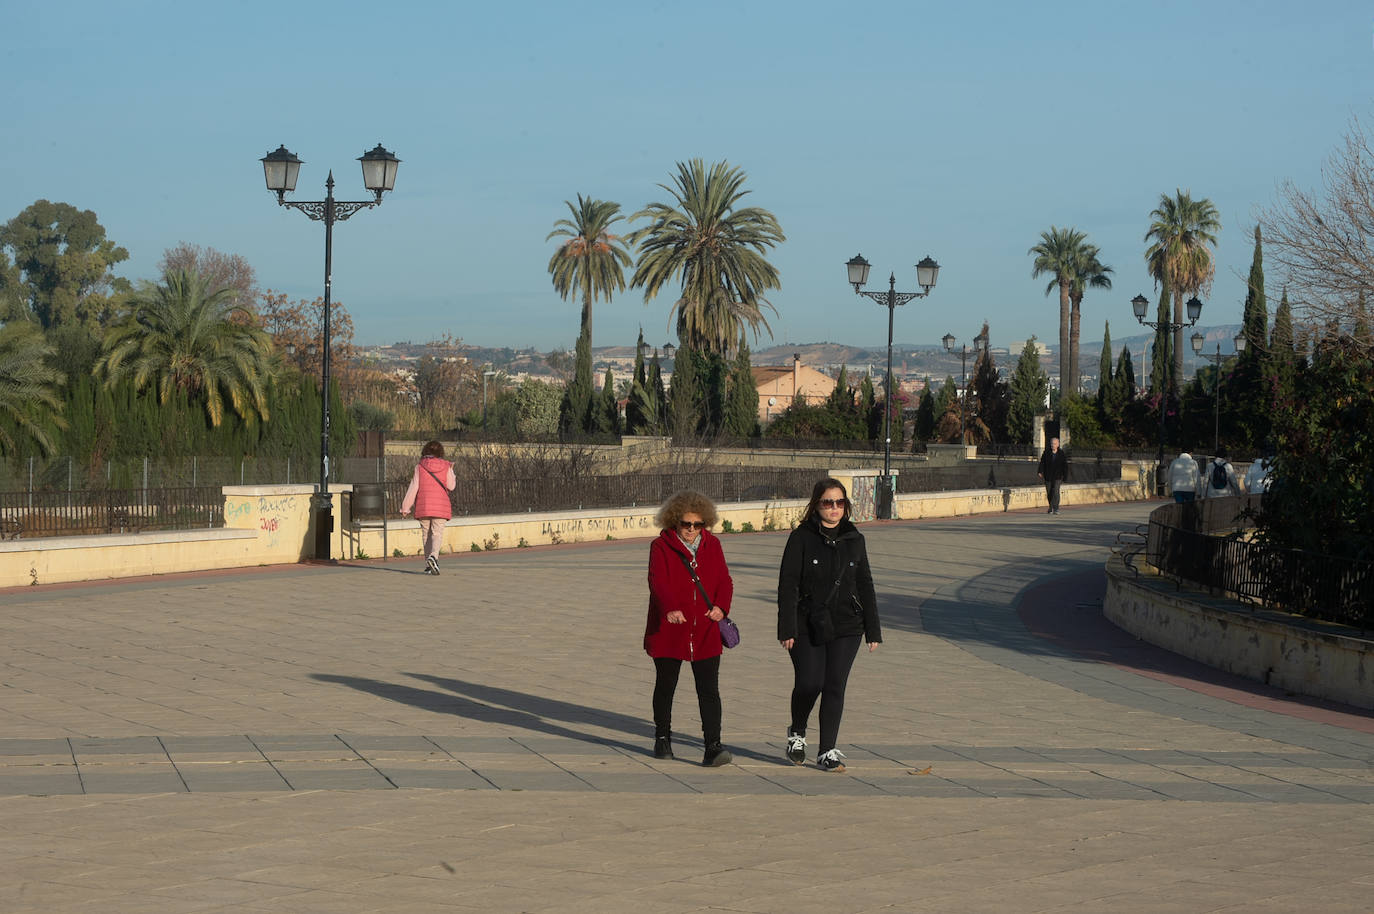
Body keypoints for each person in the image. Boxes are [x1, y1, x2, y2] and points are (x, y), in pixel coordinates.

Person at [776, 478, 881, 773]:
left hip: (847, 624)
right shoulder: (802, 538)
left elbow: (865, 584)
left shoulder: (854, 539)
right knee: (810, 682)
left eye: (839, 502)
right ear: (817, 504)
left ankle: (827, 751)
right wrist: (787, 628)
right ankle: (797, 732)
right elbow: (788, 585)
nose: (834, 508)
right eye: (827, 502)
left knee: (835, 684)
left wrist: (873, 629)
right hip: (807, 622)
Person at [643, 490, 734, 767]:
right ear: (674, 522)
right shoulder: (660, 547)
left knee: (709, 689)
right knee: (666, 685)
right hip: (671, 627)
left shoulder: (713, 545)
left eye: (698, 524)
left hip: (705, 628)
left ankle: (713, 746)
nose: (692, 530)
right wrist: (670, 608)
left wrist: (721, 607)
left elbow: (725, 581)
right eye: (686, 524)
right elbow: (657, 582)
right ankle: (662, 738)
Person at [399, 440, 456, 575]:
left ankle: (428, 564)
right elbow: (451, 486)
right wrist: (452, 471)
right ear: (440, 452)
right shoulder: (446, 466)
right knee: (437, 533)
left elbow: (413, 488)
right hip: (440, 506)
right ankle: (433, 557)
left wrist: (405, 507)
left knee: (426, 534)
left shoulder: (419, 467)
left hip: (424, 505)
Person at [1037, 436, 1070, 515]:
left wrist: (1065, 476)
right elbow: (1042, 462)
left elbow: (1065, 466)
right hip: (1048, 475)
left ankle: (1056, 508)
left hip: (1058, 476)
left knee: (1055, 491)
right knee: (1049, 492)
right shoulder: (1046, 452)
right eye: (1052, 443)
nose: (1053, 445)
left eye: (1054, 444)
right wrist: (1040, 471)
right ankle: (1050, 507)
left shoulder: (1061, 453)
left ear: (1058, 444)